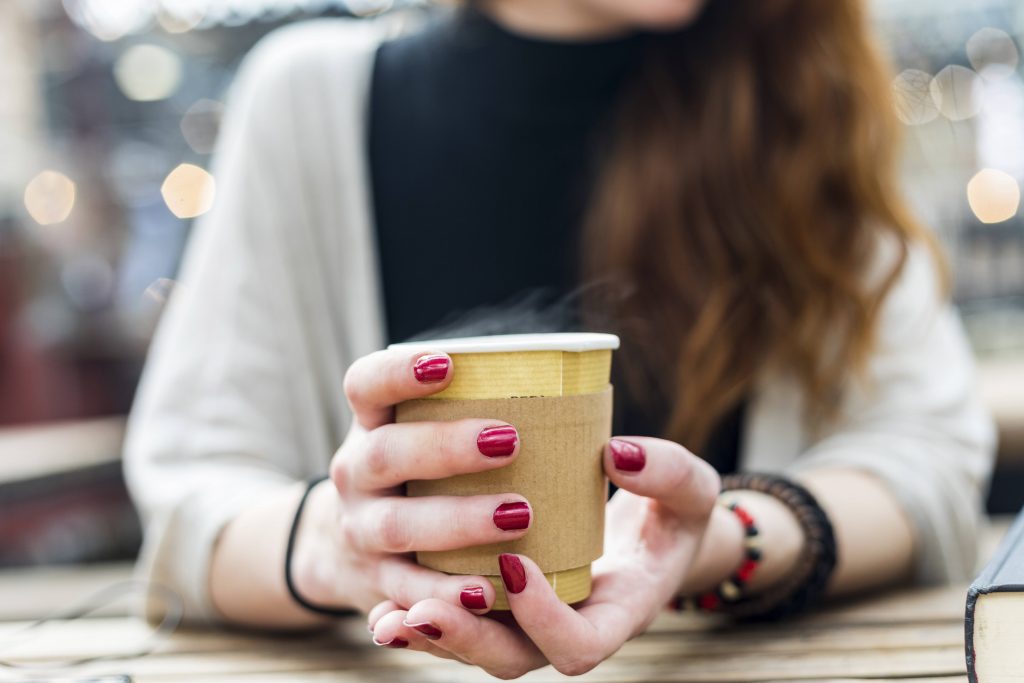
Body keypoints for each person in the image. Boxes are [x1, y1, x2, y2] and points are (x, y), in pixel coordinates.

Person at [124, 0, 996, 677]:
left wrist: (716, 540)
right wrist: (344, 546)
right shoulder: (307, 102)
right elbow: (189, 503)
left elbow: (929, 459)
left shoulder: (801, 90)